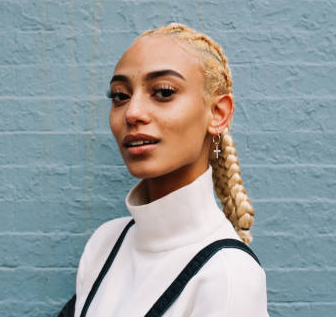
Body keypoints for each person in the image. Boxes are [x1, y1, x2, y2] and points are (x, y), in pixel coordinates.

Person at [68, 23, 268, 316]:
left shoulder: (229, 277)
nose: (132, 112)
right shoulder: (104, 243)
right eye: (120, 96)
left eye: (163, 92)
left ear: (218, 113)